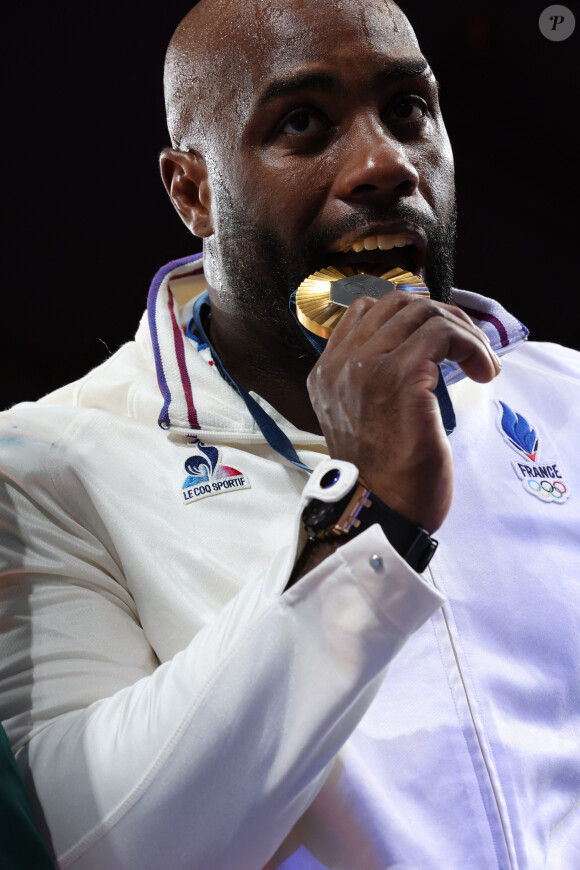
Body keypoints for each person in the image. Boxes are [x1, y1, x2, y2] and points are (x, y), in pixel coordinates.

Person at [0, 0, 579, 867]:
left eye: (407, 110)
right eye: (303, 123)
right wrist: (361, 526)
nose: (385, 163)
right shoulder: (47, 461)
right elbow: (100, 844)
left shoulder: (567, 397)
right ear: (192, 190)